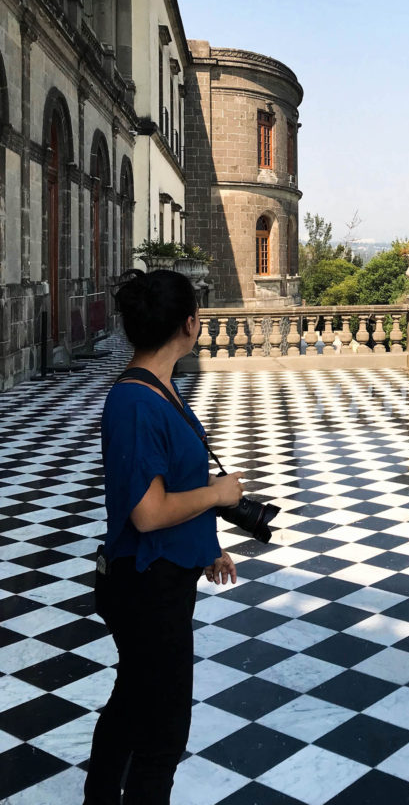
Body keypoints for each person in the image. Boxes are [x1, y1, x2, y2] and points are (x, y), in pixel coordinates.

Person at [83, 269, 243, 805]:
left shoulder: (160, 388)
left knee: (133, 707)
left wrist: (205, 547)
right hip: (143, 587)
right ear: (189, 325)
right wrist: (220, 496)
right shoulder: (135, 401)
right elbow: (149, 514)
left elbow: (173, 485)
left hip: (161, 580)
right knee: (162, 733)